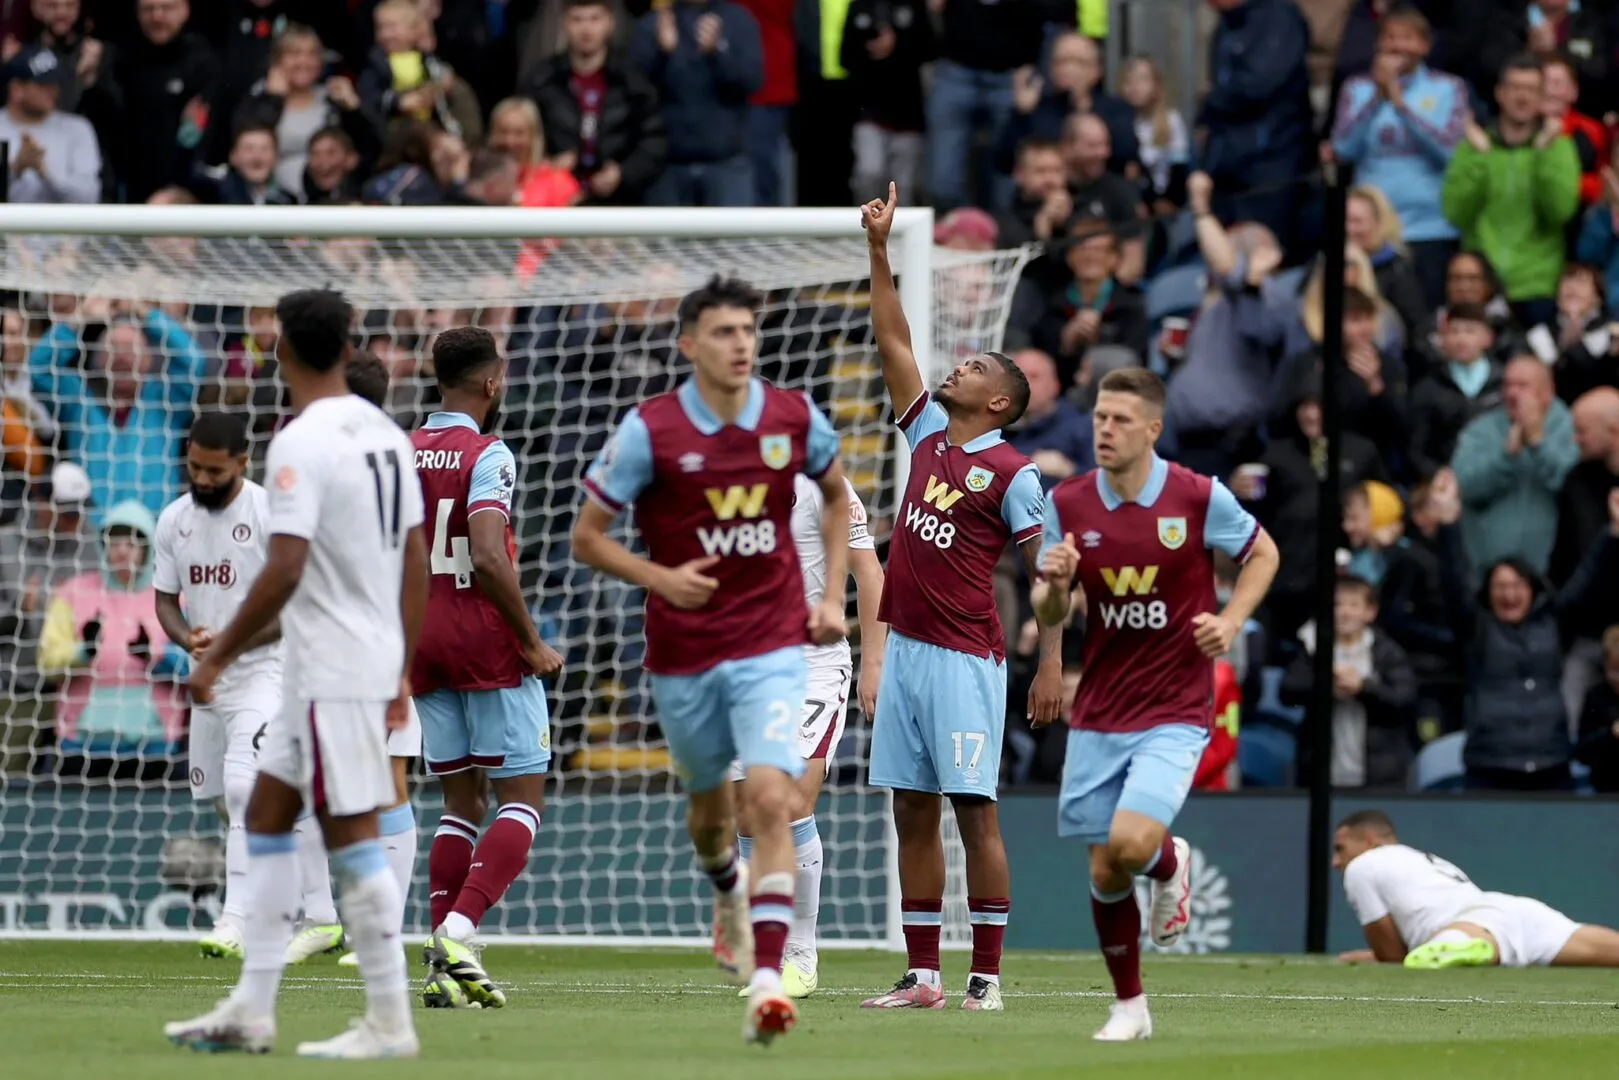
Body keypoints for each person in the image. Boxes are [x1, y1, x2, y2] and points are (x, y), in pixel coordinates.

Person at [570, 275, 849, 1045]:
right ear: (689, 343)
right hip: (684, 649)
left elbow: (835, 497)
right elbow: (586, 538)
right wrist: (660, 578)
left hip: (771, 642)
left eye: (748, 332)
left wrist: (829, 605)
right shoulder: (648, 431)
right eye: (723, 333)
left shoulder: (792, 417)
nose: (740, 345)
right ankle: (727, 889)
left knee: (772, 800)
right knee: (711, 821)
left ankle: (769, 981)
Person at [164, 289, 428, 1059]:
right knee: (269, 817)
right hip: (344, 664)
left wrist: (215, 654)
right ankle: (251, 1008)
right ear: (349, 349)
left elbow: (284, 569)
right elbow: (412, 558)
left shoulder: (299, 442)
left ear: (280, 351)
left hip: (331, 669)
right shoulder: (384, 432)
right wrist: (404, 661)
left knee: (349, 836)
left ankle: (388, 1019)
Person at [858, 184, 1064, 1014]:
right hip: (905, 647)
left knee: (974, 812)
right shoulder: (924, 437)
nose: (956, 366)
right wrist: (875, 252)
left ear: (1000, 402)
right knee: (911, 809)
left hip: (964, 657)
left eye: (974, 367)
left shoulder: (1015, 473)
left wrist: (1050, 663)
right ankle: (922, 976)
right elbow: (892, 336)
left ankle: (986, 979)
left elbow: (1052, 574)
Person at [1034, 366, 1279, 1040]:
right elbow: (1048, 604)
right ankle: (1129, 1007)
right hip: (1100, 706)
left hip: (1174, 702)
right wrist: (1055, 586)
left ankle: (1171, 861)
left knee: (1131, 841)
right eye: (1097, 419)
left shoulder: (1197, 496)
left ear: (1151, 428)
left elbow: (1263, 555)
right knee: (1104, 864)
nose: (1103, 431)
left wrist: (1229, 623)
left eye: (1118, 420)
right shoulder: (1069, 502)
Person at [412, 326, 564, 1009]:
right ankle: (458, 929)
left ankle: (443, 972)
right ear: (491, 384)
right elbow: (488, 552)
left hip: (419, 638)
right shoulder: (488, 453)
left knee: (458, 802)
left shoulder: (400, 451)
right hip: (484, 641)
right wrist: (530, 640)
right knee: (522, 801)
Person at [284, 351, 427, 970]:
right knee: (328, 785)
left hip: (352, 649)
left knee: (370, 785)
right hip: (375, 644)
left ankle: (375, 931)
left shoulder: (331, 454)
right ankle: (333, 921)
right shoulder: (396, 452)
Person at [729, 469, 886, 999]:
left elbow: (869, 573)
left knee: (791, 799)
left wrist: (874, 664)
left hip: (813, 664)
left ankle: (800, 955)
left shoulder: (828, 486)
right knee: (747, 811)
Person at [151, 413, 279, 963]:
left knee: (243, 791)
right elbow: (164, 601)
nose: (202, 480)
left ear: (241, 464)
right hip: (207, 681)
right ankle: (291, 895)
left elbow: (291, 606)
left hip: (266, 673)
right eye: (194, 468)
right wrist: (188, 638)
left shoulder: (269, 514)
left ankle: (236, 919)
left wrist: (231, 642)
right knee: (225, 806)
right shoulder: (173, 520)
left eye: (214, 471)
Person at [1333, 810, 1619, 968]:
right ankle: (1467, 947)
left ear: (1370, 840)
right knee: (1600, 948)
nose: (1336, 861)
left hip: (1469, 925)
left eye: (1340, 849)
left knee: (1451, 947)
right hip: (1513, 911)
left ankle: (1463, 948)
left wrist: (1378, 956)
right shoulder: (1420, 859)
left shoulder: (1362, 866)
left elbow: (1392, 955)